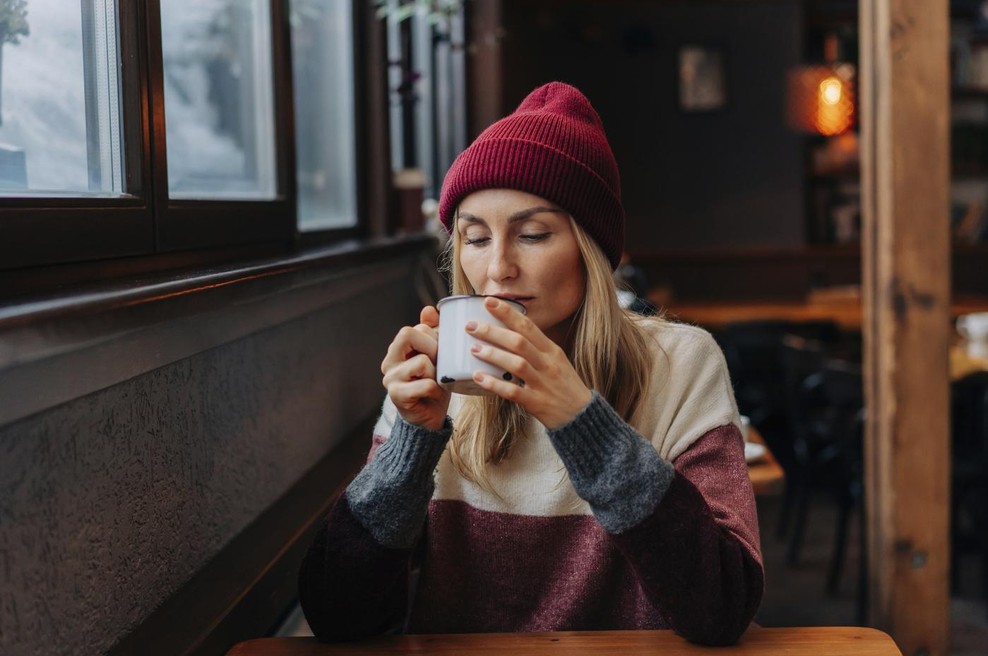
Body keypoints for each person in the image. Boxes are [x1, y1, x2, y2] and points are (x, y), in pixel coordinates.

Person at [298, 82, 763, 645]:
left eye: (533, 234)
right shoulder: (440, 372)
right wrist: (411, 444)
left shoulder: (681, 363)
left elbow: (722, 609)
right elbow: (338, 617)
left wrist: (581, 420)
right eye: (475, 238)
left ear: (591, 250)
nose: (498, 268)